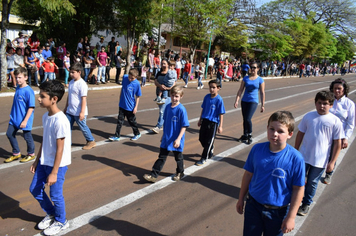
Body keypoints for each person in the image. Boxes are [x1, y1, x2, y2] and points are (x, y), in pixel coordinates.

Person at [236, 111, 305, 236]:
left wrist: (291, 217)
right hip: (254, 206)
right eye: (271, 129)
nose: (274, 134)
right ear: (267, 129)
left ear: (289, 134)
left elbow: (298, 189)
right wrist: (241, 198)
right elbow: (248, 175)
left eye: (280, 131)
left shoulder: (296, 158)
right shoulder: (257, 149)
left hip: (278, 213)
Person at [29, 80, 71, 235]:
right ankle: (52, 213)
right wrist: (37, 159)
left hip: (57, 165)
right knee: (34, 189)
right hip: (43, 161)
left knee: (55, 194)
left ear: (54, 99)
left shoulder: (61, 120)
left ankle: (62, 221)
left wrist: (54, 172)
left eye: (42, 96)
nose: (39, 99)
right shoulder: (47, 117)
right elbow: (45, 141)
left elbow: (60, 149)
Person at [295, 91, 342, 216]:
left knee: (312, 182)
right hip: (303, 156)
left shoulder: (335, 121)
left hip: (320, 160)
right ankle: (293, 199)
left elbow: (338, 143)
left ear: (331, 105)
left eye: (325, 104)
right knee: (297, 179)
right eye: (319, 103)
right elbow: (300, 134)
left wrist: (332, 162)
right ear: (315, 103)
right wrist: (295, 151)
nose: (322, 106)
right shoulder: (308, 116)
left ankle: (306, 203)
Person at [143, 86, 189, 182]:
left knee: (178, 157)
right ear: (170, 95)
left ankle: (180, 172)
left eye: (177, 96)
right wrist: (163, 135)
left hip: (176, 138)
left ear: (181, 96)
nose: (174, 98)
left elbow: (184, 126)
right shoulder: (167, 107)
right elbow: (166, 122)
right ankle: (153, 175)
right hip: (167, 138)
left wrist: (178, 139)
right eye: (172, 96)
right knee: (161, 157)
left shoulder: (181, 109)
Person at [323, 79, 355, 184]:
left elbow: (350, 123)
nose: (337, 91)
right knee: (320, 153)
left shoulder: (349, 104)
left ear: (344, 90)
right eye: (335, 88)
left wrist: (346, 138)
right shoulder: (329, 101)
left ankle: (328, 174)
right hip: (325, 132)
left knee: (333, 155)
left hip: (339, 135)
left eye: (339, 88)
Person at [5, 67, 36, 163]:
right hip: (14, 118)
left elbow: (31, 107)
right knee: (9, 134)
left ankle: (31, 154)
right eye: (16, 77)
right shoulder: (18, 88)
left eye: (20, 77)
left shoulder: (29, 91)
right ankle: (16, 153)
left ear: (26, 77)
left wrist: (25, 120)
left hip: (25, 119)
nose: (17, 80)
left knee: (27, 137)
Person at [63, 63, 96, 150]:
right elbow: (69, 96)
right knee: (67, 127)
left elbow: (83, 99)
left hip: (79, 111)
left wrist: (82, 112)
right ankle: (67, 142)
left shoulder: (82, 84)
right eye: (70, 72)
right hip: (70, 111)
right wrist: (66, 107)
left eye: (73, 72)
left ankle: (91, 141)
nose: (71, 74)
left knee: (83, 127)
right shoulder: (71, 82)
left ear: (79, 72)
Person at [195, 80, 225, 166]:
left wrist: (220, 126)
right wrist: (200, 119)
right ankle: (211, 147)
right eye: (210, 87)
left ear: (218, 88)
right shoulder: (207, 97)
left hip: (213, 123)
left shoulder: (219, 100)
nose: (211, 89)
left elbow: (221, 113)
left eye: (213, 87)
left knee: (208, 141)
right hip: (205, 120)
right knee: (201, 138)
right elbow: (203, 109)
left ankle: (204, 158)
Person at [234, 62, 265, 144]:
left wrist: (262, 105)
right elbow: (240, 90)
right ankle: (245, 134)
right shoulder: (245, 78)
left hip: (253, 101)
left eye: (254, 67)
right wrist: (237, 100)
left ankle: (250, 134)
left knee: (248, 118)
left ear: (258, 69)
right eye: (251, 67)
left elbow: (262, 93)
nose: (252, 69)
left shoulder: (260, 80)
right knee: (244, 119)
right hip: (244, 101)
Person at [109, 69, 142, 141]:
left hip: (130, 106)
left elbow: (138, 96)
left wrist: (136, 107)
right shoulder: (125, 77)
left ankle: (137, 133)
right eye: (129, 77)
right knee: (119, 121)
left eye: (132, 78)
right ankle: (117, 135)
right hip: (122, 104)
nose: (130, 79)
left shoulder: (137, 84)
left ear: (136, 77)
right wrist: (120, 97)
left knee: (132, 121)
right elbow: (122, 87)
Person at [151, 59, 177, 134]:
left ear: (168, 64)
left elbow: (174, 82)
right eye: (162, 63)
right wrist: (160, 86)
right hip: (159, 93)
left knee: (162, 111)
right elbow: (155, 81)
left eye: (164, 63)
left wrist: (168, 88)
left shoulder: (170, 72)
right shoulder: (159, 72)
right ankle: (168, 123)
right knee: (163, 111)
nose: (163, 65)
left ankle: (158, 126)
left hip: (167, 94)